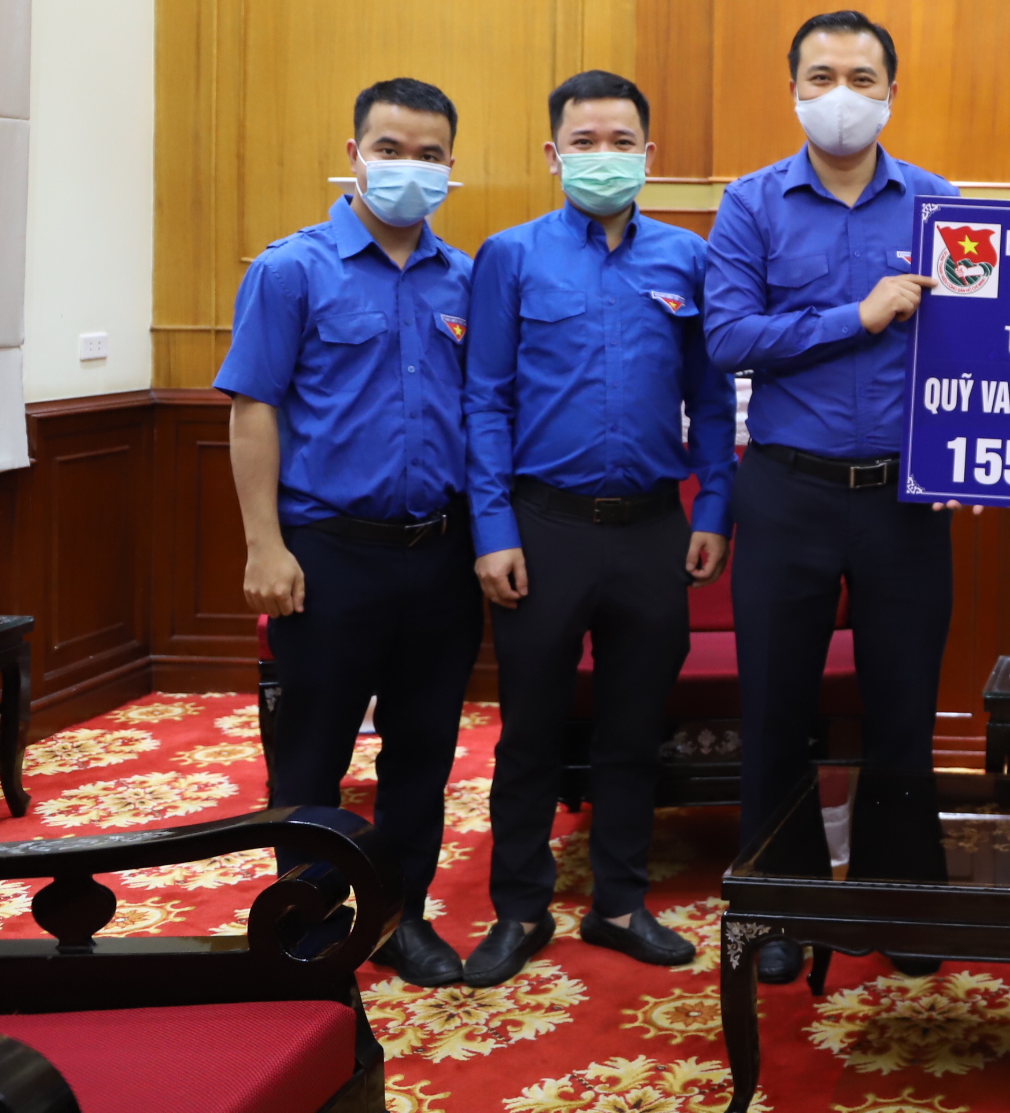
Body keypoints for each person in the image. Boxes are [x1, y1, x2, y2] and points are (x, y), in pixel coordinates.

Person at [458, 71, 737, 986]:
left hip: (654, 528)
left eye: (621, 142)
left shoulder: (687, 258)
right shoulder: (510, 256)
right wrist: (491, 529)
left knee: (632, 730)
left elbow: (711, 398)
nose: (603, 157)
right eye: (584, 142)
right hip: (543, 528)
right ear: (554, 154)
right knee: (531, 732)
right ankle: (519, 908)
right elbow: (485, 401)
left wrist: (714, 507)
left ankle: (619, 903)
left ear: (648, 155)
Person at [704, 10, 959, 987]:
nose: (840, 94)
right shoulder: (752, 203)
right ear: (794, 89)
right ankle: (781, 907)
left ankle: (903, 902)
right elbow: (728, 338)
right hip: (788, 492)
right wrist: (857, 316)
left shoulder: (937, 204)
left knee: (903, 713)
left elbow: (978, 348)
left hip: (905, 501)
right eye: (821, 76)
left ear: (891, 92)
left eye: (861, 77)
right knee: (777, 711)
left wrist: (978, 455)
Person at [218, 78, 481, 989]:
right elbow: (253, 409)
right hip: (328, 553)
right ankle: (314, 921)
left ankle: (401, 917)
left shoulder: (465, 278)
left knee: (423, 752)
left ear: (451, 164)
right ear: (354, 154)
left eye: (429, 154)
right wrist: (264, 545)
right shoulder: (291, 270)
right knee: (313, 756)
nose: (409, 168)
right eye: (390, 150)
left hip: (440, 555)